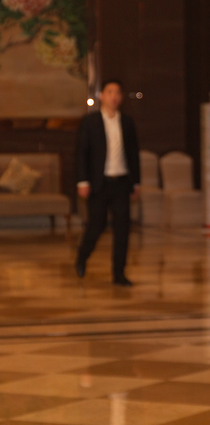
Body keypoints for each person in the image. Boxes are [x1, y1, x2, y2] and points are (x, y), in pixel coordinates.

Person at [75, 79, 140, 287]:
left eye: (118, 92)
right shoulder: (90, 122)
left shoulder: (127, 122)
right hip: (99, 183)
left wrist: (135, 183)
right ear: (101, 95)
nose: (114, 96)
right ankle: (82, 257)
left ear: (121, 97)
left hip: (121, 182)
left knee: (122, 230)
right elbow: (81, 153)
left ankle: (119, 273)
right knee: (96, 226)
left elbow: (133, 154)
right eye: (110, 91)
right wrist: (82, 181)